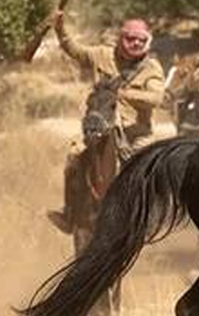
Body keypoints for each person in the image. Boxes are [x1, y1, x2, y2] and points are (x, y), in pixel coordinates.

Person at [47, 12, 165, 234]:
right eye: (131, 38)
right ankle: (70, 213)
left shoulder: (152, 68)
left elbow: (156, 98)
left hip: (135, 134)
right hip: (99, 128)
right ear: (121, 38)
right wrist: (60, 28)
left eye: (141, 40)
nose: (136, 43)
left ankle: (145, 219)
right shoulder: (102, 55)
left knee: (145, 169)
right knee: (74, 158)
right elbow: (75, 51)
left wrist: (124, 94)